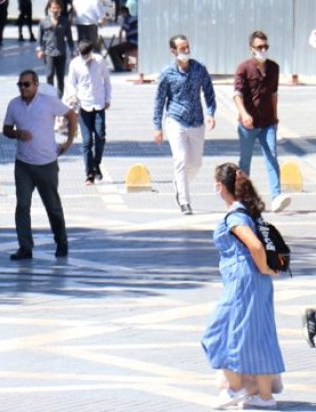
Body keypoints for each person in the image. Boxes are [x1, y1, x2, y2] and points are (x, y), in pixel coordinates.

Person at [202, 162, 285, 410]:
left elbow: (256, 247)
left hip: (242, 281)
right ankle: (264, 396)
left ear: (219, 187)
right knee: (259, 335)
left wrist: (263, 268)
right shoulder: (248, 212)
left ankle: (234, 388)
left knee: (217, 333)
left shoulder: (236, 216)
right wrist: (265, 272)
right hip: (257, 282)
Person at [3, 69, 77, 260]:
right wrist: (18, 134)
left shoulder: (48, 102)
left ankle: (61, 242)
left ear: (36, 84)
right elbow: (6, 129)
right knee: (22, 205)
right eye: (20, 85)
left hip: (46, 163)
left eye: (26, 84)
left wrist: (68, 141)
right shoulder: (14, 105)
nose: (23, 88)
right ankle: (25, 247)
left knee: (53, 207)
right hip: (23, 164)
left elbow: (71, 115)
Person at [152, 34, 216, 215]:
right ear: (173, 51)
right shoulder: (167, 73)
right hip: (175, 120)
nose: (186, 51)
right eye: (181, 48)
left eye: (187, 47)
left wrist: (211, 113)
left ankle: (179, 183)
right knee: (180, 159)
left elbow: (209, 92)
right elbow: (159, 100)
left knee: (195, 163)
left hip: (196, 120)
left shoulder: (199, 69)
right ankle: (184, 201)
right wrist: (157, 126)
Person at [234, 31, 290, 213]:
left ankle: (276, 196)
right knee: (245, 161)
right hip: (248, 125)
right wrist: (243, 114)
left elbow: (274, 94)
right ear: (252, 49)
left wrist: (276, 117)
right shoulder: (243, 68)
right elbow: (237, 95)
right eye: (259, 47)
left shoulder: (274, 68)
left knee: (272, 156)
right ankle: (242, 198)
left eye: (266, 46)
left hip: (268, 123)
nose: (263, 50)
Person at [65, 40, 110, 185]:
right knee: (87, 141)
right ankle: (89, 173)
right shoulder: (75, 63)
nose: (84, 57)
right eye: (82, 54)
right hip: (83, 105)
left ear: (91, 52)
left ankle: (96, 163)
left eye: (87, 54)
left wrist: (108, 98)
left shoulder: (100, 61)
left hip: (98, 104)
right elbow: (70, 82)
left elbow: (107, 81)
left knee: (100, 136)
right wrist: (72, 95)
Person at [37, 0, 74, 97]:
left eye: (57, 8)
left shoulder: (65, 21)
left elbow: (69, 38)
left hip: (61, 52)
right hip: (49, 52)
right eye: (53, 8)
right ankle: (50, 95)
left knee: (60, 77)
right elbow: (39, 37)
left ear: (61, 9)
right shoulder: (44, 22)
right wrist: (39, 50)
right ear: (49, 8)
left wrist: (72, 50)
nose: (55, 10)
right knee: (49, 75)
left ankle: (59, 97)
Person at [107, 5, 137, 72]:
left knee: (112, 50)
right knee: (118, 50)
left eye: (121, 13)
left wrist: (120, 42)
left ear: (125, 12)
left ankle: (119, 67)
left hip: (132, 42)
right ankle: (124, 66)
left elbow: (121, 31)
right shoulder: (134, 18)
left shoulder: (127, 20)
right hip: (135, 41)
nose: (121, 15)